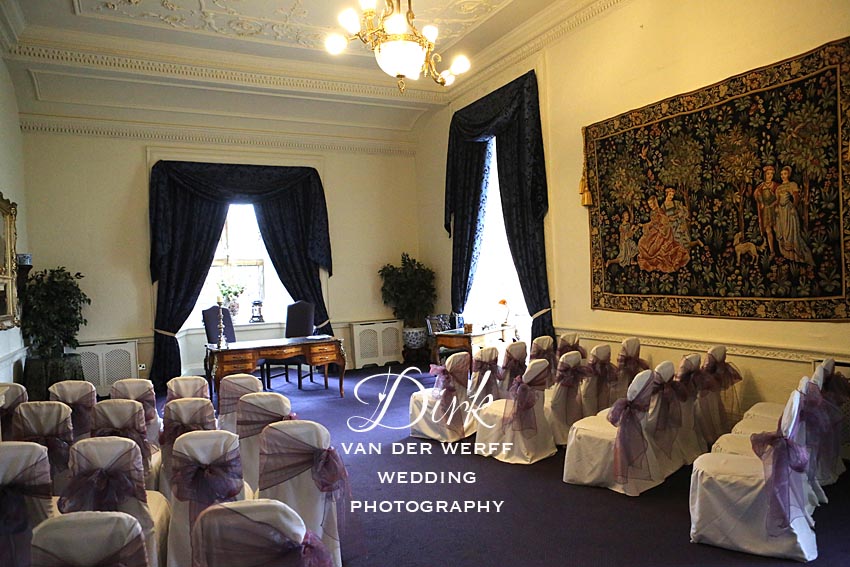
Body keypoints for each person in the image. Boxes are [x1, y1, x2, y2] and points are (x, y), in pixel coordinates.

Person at [638, 195, 690, 272]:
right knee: (641, 242)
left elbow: (665, 223)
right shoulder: (652, 212)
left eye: (651, 203)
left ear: (655, 202)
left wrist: (661, 231)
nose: (650, 206)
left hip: (662, 234)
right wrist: (643, 225)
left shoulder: (660, 211)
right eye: (649, 204)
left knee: (652, 251)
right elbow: (652, 223)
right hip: (654, 232)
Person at [775, 166, 813, 265]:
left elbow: (796, 197)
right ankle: (787, 256)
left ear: (789, 174)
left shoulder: (792, 185)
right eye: (782, 174)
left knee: (790, 231)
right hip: (781, 211)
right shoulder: (779, 188)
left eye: (785, 174)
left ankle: (796, 255)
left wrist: (793, 207)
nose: (783, 176)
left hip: (788, 210)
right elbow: (778, 200)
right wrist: (776, 207)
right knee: (783, 232)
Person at [753, 165, 778, 256]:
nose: (770, 176)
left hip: (774, 210)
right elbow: (757, 196)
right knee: (768, 231)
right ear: (764, 175)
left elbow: (779, 198)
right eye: (768, 174)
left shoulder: (776, 185)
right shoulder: (761, 186)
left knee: (777, 229)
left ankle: (781, 249)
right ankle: (772, 251)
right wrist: (761, 201)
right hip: (766, 211)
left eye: (771, 174)